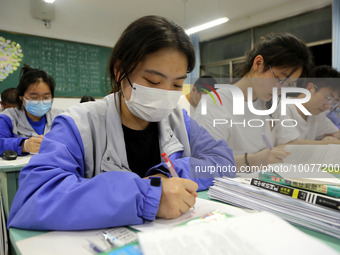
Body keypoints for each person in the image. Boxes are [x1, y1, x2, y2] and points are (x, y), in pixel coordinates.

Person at [8, 15, 235, 231]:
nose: (165, 94)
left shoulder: (178, 120)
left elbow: (222, 161)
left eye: (177, 85)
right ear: (119, 71)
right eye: (153, 81)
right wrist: (148, 196)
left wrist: (167, 175)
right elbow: (34, 198)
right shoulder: (78, 123)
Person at [192, 33, 313, 171]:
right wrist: (254, 160)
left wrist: (328, 146)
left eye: (288, 85)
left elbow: (288, 142)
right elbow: (205, 164)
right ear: (258, 64)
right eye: (280, 80)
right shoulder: (214, 103)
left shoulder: (273, 104)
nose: (281, 90)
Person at [0, 64, 62, 155]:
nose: (40, 101)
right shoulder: (8, 117)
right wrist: (24, 145)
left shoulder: (60, 117)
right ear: (21, 97)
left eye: (46, 97)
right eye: (34, 97)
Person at [277, 65, 340, 142]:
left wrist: (333, 136)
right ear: (310, 88)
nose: (328, 106)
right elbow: (291, 144)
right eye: (328, 98)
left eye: (333, 102)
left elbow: (337, 133)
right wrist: (324, 143)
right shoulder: (283, 109)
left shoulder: (316, 115)